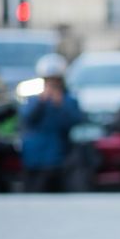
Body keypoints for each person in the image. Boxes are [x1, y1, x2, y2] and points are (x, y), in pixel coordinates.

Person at [19, 53, 84, 192]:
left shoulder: (68, 100)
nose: (52, 85)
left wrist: (60, 104)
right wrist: (41, 102)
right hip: (35, 156)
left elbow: (75, 120)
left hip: (59, 156)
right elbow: (27, 118)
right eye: (49, 81)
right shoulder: (34, 99)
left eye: (55, 81)